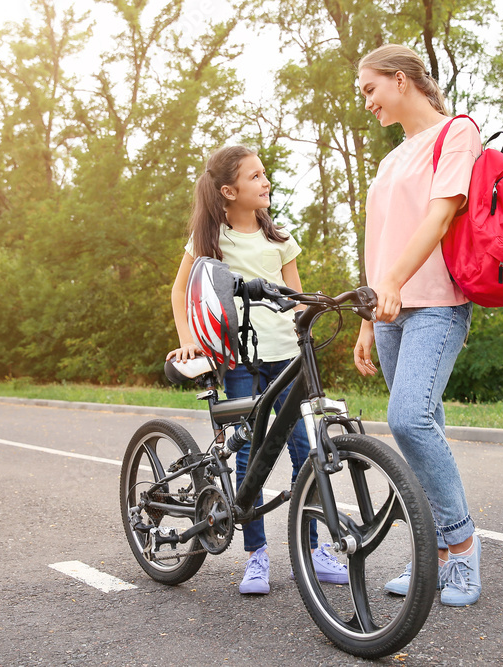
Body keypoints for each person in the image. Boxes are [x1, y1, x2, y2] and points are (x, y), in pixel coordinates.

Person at [167, 145, 348, 595]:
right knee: (250, 458)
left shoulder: (281, 239)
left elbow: (297, 299)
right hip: (240, 358)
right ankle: (256, 556)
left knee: (305, 453)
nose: (265, 181)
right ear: (229, 191)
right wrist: (189, 338)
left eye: (264, 174)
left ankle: (310, 552)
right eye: (255, 176)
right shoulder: (210, 242)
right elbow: (180, 293)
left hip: (285, 355)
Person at [354, 44, 481, 606]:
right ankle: (432, 561)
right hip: (387, 310)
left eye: (370, 90)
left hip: (436, 302)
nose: (368, 102)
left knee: (407, 421)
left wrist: (396, 282)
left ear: (400, 81)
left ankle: (465, 554)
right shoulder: (390, 159)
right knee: (424, 430)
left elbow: (442, 213)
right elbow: (377, 244)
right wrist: (367, 315)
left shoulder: (458, 132)